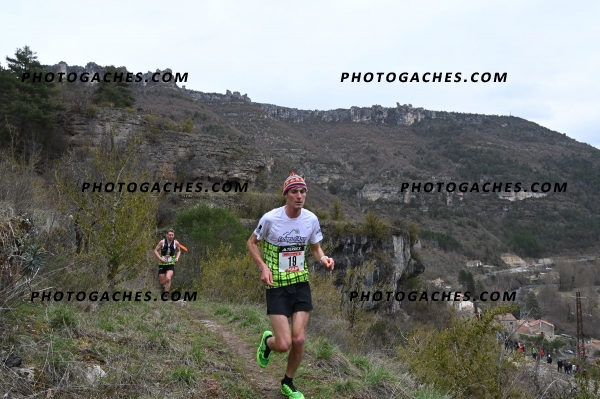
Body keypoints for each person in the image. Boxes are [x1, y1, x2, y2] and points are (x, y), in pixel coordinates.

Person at [248, 172, 335, 399]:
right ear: (285, 194)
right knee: (284, 343)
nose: (299, 196)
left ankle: (288, 382)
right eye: (294, 191)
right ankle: (268, 342)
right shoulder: (270, 219)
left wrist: (324, 259)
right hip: (276, 285)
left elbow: (315, 249)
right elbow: (251, 243)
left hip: (300, 284)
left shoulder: (311, 219)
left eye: (303, 191)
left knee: (299, 338)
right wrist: (263, 268)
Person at [153, 229, 181, 294]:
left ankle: (166, 294)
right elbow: (155, 251)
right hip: (162, 263)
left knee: (168, 278)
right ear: (166, 235)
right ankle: (164, 288)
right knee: (162, 282)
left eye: (172, 235)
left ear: (174, 236)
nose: (171, 236)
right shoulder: (162, 242)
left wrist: (177, 257)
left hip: (171, 263)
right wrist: (160, 258)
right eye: (169, 235)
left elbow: (179, 251)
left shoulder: (176, 243)